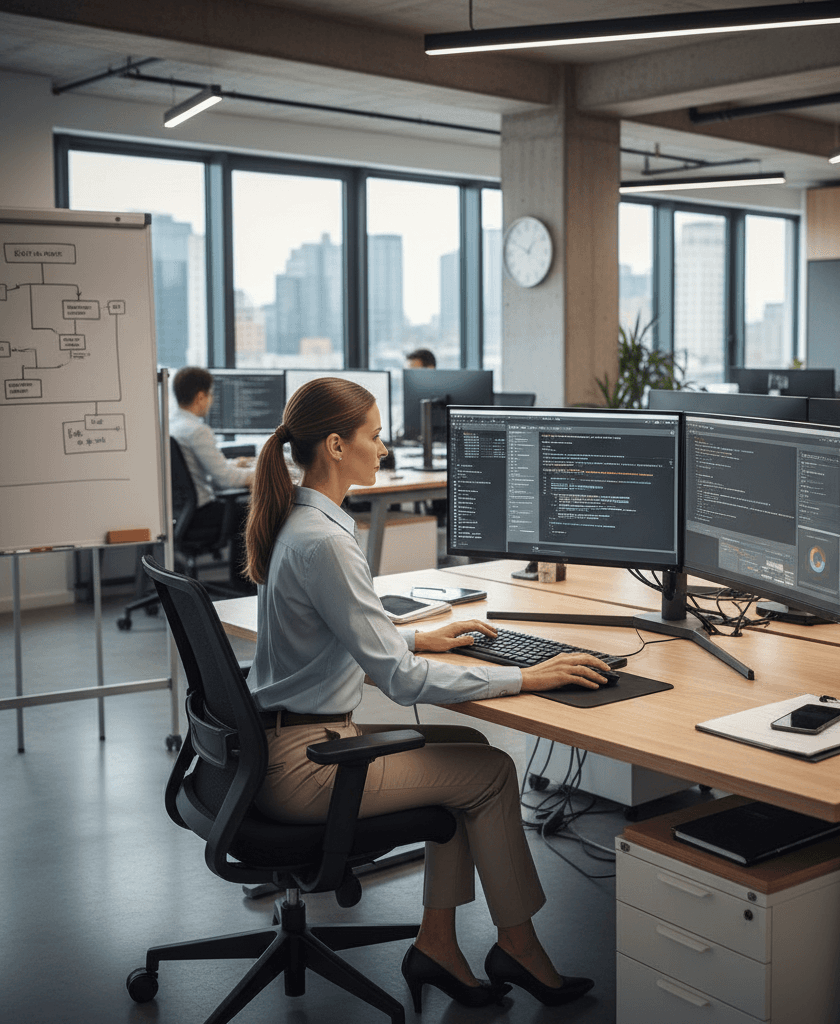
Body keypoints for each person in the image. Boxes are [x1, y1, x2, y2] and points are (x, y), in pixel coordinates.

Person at [243, 377, 608, 1010]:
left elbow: (338, 636)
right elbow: (402, 681)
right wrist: (528, 676)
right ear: (336, 446)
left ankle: (438, 943)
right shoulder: (326, 542)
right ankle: (518, 945)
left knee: (467, 748)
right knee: (491, 773)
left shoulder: (298, 522)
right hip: (308, 766)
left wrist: (418, 636)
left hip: (280, 745)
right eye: (375, 436)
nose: (384, 449)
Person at [170, 366, 255, 593]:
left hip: (181, 513)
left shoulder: (174, 426)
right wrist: (260, 474)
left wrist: (234, 465)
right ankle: (244, 587)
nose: (211, 400)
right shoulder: (197, 430)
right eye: (211, 395)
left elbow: (208, 470)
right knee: (253, 511)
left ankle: (243, 584)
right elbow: (225, 480)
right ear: (200, 396)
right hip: (201, 514)